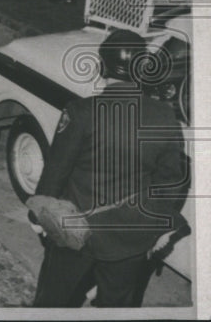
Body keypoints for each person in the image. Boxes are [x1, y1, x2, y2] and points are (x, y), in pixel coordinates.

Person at [30, 30, 189, 307]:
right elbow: (170, 183)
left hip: (77, 231)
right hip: (130, 237)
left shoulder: (81, 112)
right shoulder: (164, 116)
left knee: (53, 302)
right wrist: (152, 229)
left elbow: (55, 173)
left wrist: (37, 215)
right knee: (117, 306)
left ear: (102, 67)